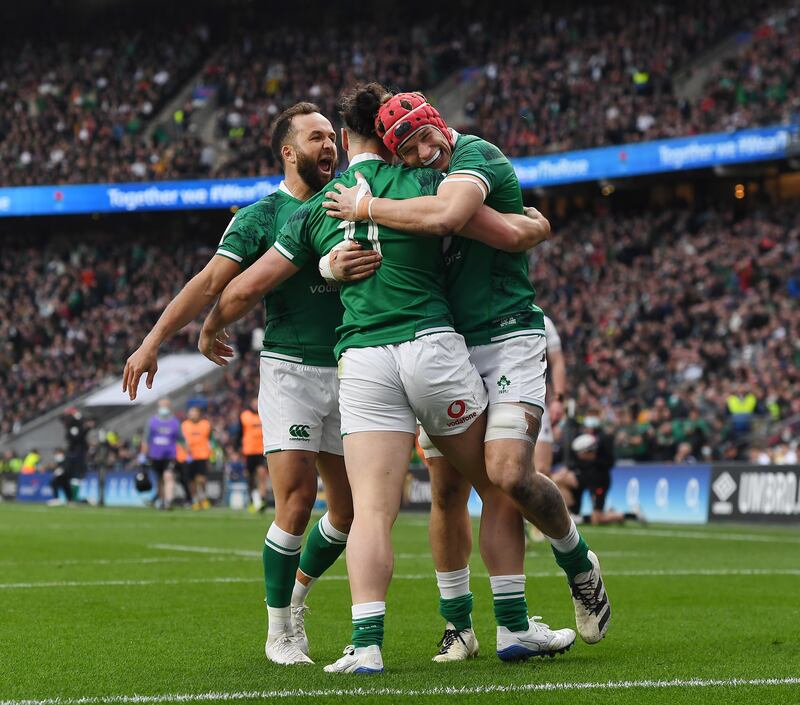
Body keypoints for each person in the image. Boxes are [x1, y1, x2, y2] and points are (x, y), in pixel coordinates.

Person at [199, 82, 574, 674]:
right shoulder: (426, 183)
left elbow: (244, 288)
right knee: (500, 483)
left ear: (346, 139)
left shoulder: (317, 207)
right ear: (394, 134)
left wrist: (211, 324)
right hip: (434, 347)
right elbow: (496, 230)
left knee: (371, 511)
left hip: (364, 360)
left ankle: (366, 643)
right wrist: (533, 228)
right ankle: (514, 625)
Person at [323, 91, 609, 656]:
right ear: (393, 154)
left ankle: (576, 559)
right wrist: (334, 264)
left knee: (506, 475)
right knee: (446, 490)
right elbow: (503, 232)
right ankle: (462, 626)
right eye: (408, 147)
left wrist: (366, 209)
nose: (425, 151)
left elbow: (455, 217)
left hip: (506, 336)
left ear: (440, 125)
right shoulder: (407, 182)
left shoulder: (476, 156)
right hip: (450, 342)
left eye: (427, 136)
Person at [123, 102, 370, 666]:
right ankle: (279, 631)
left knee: (350, 511)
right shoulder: (262, 215)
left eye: (332, 137)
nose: (328, 146)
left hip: (352, 364)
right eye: (315, 138)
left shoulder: (354, 201)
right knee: (298, 499)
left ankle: (297, 594)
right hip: (290, 369)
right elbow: (211, 282)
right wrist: (152, 340)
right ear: (288, 151)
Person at [141, 399, 183, 509]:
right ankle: (162, 501)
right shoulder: (152, 422)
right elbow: (146, 439)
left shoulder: (175, 422)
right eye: (162, 405)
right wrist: (143, 454)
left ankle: (169, 501)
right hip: (155, 455)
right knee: (160, 479)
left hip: (169, 455)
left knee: (168, 477)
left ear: (169, 407)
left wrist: (187, 453)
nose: (163, 408)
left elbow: (181, 439)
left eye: (165, 405)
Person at [240, 397, 269, 511]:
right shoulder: (245, 416)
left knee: (261, 475)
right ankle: (252, 500)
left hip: (262, 451)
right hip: (248, 452)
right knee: (250, 478)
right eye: (254, 402)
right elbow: (239, 433)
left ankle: (262, 500)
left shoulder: (265, 415)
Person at [181, 405, 213, 510]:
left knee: (201, 479)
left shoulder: (206, 424)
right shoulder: (184, 425)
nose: (192, 415)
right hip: (189, 456)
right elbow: (181, 440)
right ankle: (194, 499)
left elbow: (211, 439)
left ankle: (203, 497)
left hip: (202, 455)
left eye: (194, 413)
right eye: (190, 413)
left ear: (199, 414)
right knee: (191, 480)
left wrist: (212, 452)